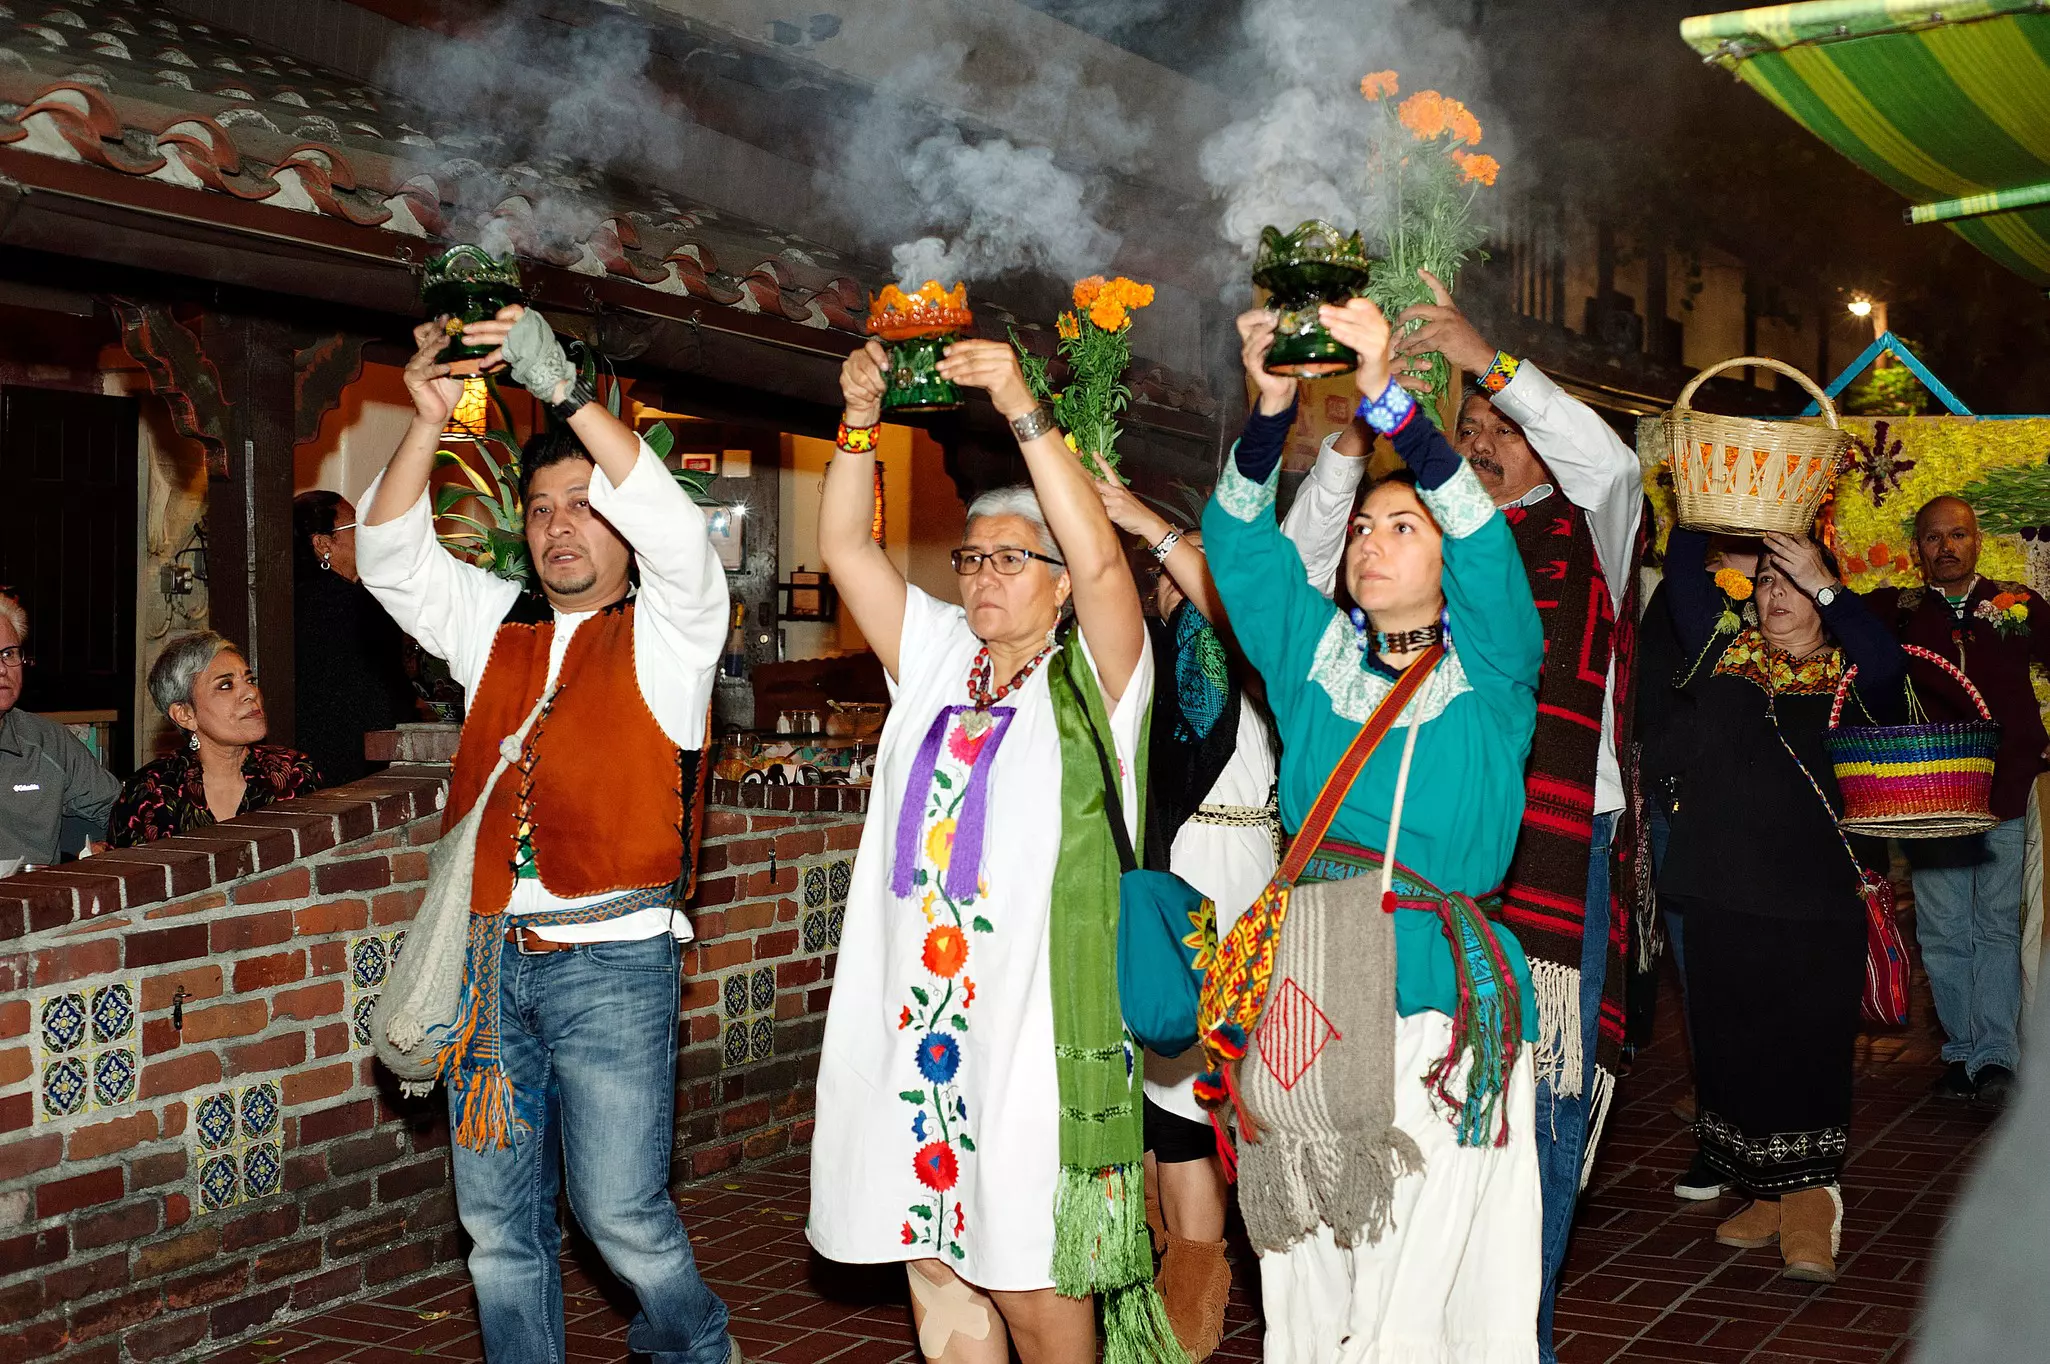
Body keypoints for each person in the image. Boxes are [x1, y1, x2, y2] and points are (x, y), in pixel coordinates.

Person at [357, 306, 737, 1364]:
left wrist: (563, 386)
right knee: (495, 1236)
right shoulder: (499, 629)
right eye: (540, 508)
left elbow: (673, 525)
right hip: (489, 967)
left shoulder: (676, 629)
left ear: (621, 526)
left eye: (583, 505)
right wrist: (425, 416)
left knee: (620, 1217)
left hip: (615, 966)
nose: (558, 525)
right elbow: (389, 560)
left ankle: (697, 1344)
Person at [1281, 271, 1644, 1360]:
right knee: (1382, 1108)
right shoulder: (1397, 545)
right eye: (1468, 427)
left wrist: (1487, 359)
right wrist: (1351, 422)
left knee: (1526, 1108)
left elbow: (1613, 461)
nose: (1483, 440)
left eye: (1504, 427)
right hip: (1399, 858)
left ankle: (1502, 1331)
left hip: (1553, 840)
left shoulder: (1594, 528)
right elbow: (1289, 562)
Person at [807, 336, 1173, 1364]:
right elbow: (844, 548)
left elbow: (1103, 556)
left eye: (1014, 557)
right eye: (971, 556)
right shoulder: (935, 656)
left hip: (1030, 1036)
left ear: (1059, 583)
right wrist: (857, 424)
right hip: (916, 1030)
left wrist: (1019, 402)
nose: (983, 576)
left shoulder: (1100, 676)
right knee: (933, 1263)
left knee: (1034, 1282)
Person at [1205, 296, 1542, 1361]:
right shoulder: (1314, 661)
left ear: (1445, 558)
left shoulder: (1492, 672)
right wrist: (1271, 407)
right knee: (1306, 1250)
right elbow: (1238, 544)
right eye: (1362, 526)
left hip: (1444, 1003)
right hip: (1311, 986)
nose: (1371, 542)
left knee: (1421, 1261)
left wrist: (1388, 397)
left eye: (1404, 528)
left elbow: (1490, 552)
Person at [1660, 526, 1904, 1284]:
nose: (1775, 595)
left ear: (1823, 598)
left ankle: (1810, 1206)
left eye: (1791, 583)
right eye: (1766, 580)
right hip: (1718, 890)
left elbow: (1890, 661)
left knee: (1805, 1050)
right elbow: (1682, 573)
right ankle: (1763, 1191)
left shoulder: (1852, 676)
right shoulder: (1725, 656)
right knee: (1731, 1048)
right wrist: (1711, 495)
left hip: (1812, 900)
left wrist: (1823, 577)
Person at [1094, 470, 1278, 1362]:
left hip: (1213, 876)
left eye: (1192, 558)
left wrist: (1172, 552)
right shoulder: (1170, 641)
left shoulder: (1222, 636)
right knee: (1172, 1094)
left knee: (1187, 1099)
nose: (1177, 573)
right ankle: (1179, 1278)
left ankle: (1195, 1301)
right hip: (1197, 869)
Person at [1867, 495, 2045, 1108]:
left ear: (1977, 543)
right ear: (1918, 549)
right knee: (1943, 932)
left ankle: (1994, 1056)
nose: (1947, 547)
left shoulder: (2015, 604)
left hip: (2004, 791)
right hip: (1931, 797)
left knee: (1996, 926)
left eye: (1959, 535)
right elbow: (1829, 621)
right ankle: (1964, 1052)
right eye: (1934, 537)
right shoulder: (1896, 610)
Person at [109, 632, 320, 847]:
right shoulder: (147, 794)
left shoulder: (295, 773)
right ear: (186, 715)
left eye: (250, 680)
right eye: (226, 685)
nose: (250, 692)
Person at [293, 490, 419, 786]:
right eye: (356, 526)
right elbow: (396, 687)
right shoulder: (360, 604)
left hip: (306, 765)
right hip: (360, 761)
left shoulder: (285, 602)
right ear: (323, 544)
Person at [0, 590, 120, 869]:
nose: (3, 669)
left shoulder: (47, 742)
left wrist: (110, 846)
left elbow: (122, 813)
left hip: (38, 901)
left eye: (8, 654)